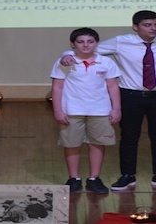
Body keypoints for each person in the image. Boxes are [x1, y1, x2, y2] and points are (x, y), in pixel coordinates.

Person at [59, 11, 156, 191]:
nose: (153, 28)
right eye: (147, 25)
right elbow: (87, 48)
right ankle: (127, 175)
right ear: (135, 27)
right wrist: (66, 54)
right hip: (130, 95)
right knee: (128, 137)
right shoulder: (121, 41)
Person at [50, 28, 122, 194]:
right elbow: (57, 87)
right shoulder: (64, 62)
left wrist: (116, 108)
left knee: (97, 143)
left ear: (96, 43)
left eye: (90, 42)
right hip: (72, 110)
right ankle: (74, 178)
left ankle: (94, 178)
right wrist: (58, 110)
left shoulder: (106, 62)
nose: (86, 45)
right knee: (71, 144)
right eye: (80, 42)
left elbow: (113, 86)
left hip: (100, 110)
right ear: (73, 44)